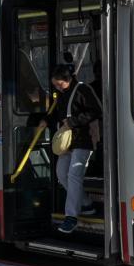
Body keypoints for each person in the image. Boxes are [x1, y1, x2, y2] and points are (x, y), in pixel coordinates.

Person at [44, 62, 101, 235]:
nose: (57, 88)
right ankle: (86, 204)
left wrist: (74, 121)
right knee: (62, 174)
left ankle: (71, 217)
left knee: (74, 175)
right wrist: (46, 121)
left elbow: (97, 111)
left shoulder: (83, 90)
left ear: (68, 79)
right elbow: (57, 113)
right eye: (55, 85)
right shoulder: (62, 94)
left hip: (84, 139)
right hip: (68, 141)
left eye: (59, 84)